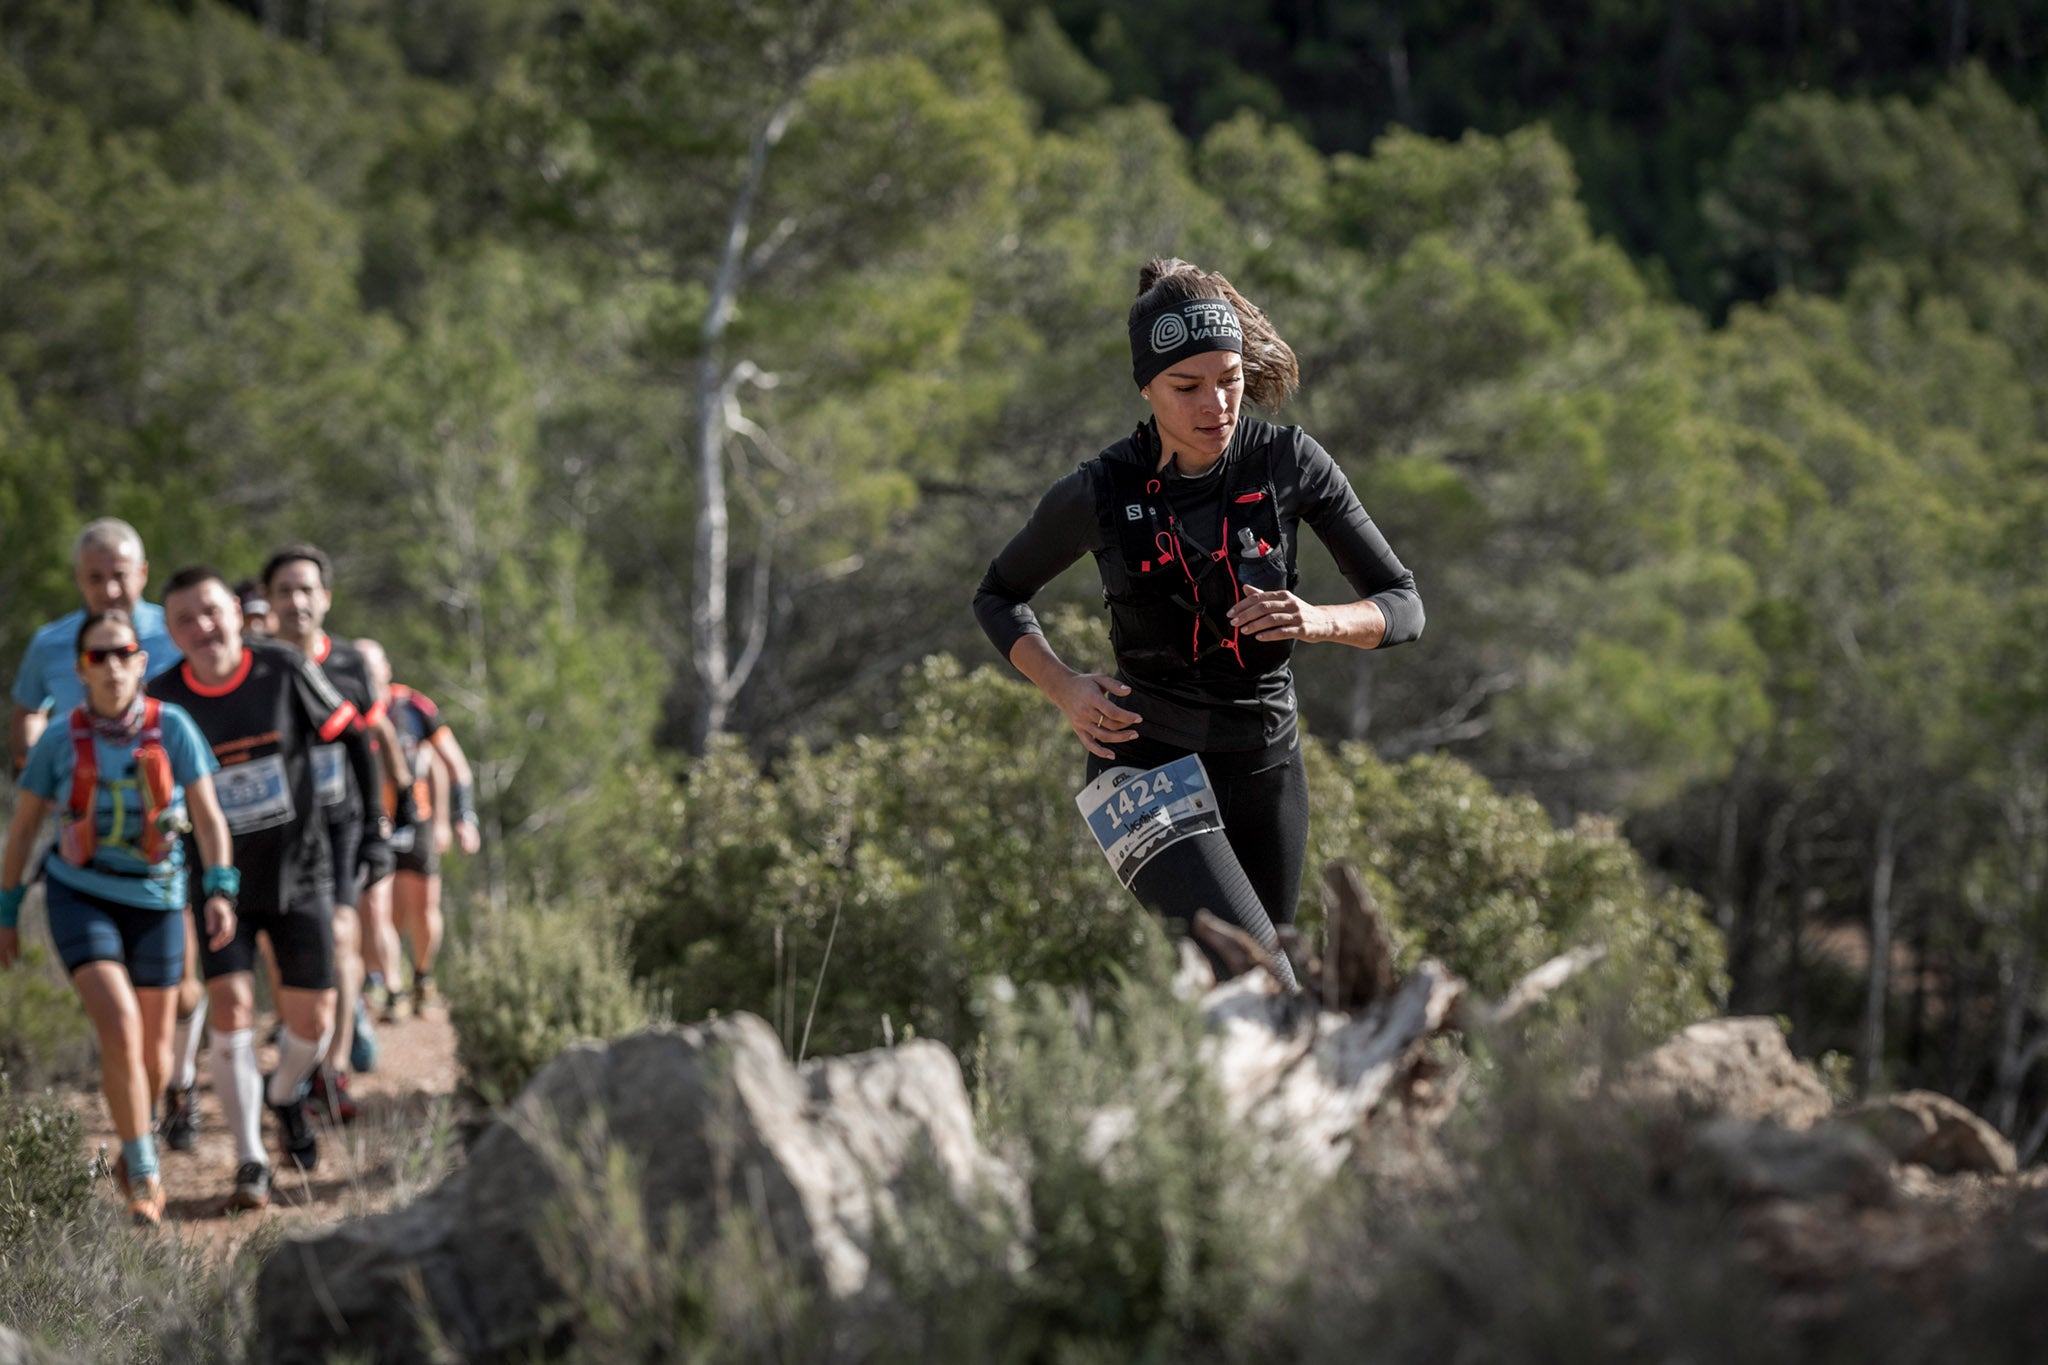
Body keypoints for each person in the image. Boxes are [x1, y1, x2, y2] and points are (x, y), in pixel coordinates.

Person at [973, 259, 1424, 987]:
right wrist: (1062, 687)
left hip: (1267, 764)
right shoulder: (1097, 489)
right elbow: (997, 594)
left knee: (1252, 997)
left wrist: (1317, 620)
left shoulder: (1290, 462)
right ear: (1146, 386)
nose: (1215, 404)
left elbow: (1402, 603)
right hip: (1141, 764)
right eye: (1187, 387)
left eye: (1230, 379)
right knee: (1265, 981)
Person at [147, 567, 390, 1209]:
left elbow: (354, 736)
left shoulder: (280, 669)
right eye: (184, 620)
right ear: (171, 631)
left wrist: (376, 828)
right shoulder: (163, 699)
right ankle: (251, 1160)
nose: (201, 628)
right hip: (218, 880)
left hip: (299, 869)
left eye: (210, 612)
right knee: (228, 1012)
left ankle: (285, 1094)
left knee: (313, 1019)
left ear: (234, 610)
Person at [0, 610, 239, 1226]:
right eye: (96, 656)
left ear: (141, 661)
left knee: (156, 1056)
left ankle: (140, 1136)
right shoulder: (60, 738)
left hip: (158, 898)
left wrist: (219, 889)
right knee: (120, 1026)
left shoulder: (174, 728)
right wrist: (5, 910)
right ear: (80, 668)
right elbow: (25, 829)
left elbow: (209, 818)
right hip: (81, 894)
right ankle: (144, 1175)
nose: (110, 666)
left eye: (122, 653)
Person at [260, 545, 413, 1120]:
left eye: (307, 590)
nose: (296, 602)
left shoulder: (349, 664)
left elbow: (372, 743)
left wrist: (385, 820)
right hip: (283, 833)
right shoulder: (260, 666)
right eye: (284, 591)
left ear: (326, 598)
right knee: (290, 956)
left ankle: (335, 1070)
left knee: (346, 936)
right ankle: (304, 1043)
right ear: (269, 601)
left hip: (342, 823)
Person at [356, 639, 479, 1021]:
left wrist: (461, 818)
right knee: (377, 910)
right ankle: (390, 985)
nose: (366, 678)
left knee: (423, 908)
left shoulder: (414, 707)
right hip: (370, 825)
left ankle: (422, 979)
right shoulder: (345, 709)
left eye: (372, 670)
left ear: (386, 671)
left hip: (417, 820)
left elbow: (452, 767)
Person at [10, 520, 181, 773]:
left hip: (169, 794)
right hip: (79, 798)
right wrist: (36, 768)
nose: (109, 591)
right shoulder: (49, 644)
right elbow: (29, 710)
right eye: (95, 578)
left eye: (120, 575)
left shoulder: (176, 633)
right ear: (79, 579)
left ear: (142, 573)